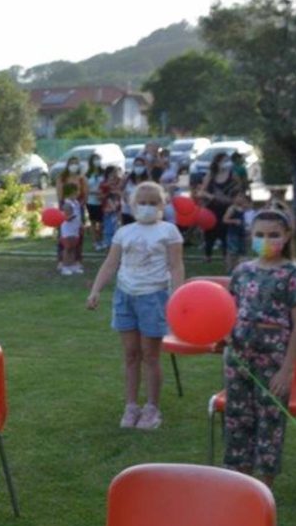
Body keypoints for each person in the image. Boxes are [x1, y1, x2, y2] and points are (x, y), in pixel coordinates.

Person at [221, 209, 296, 486]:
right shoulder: (242, 271)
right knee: (237, 418)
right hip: (238, 359)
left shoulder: (293, 274)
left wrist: (287, 370)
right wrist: (224, 335)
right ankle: (240, 484)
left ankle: (264, 487)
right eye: (260, 234)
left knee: (269, 420)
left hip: (273, 360)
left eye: (273, 234)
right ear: (251, 235)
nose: (266, 240)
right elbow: (228, 310)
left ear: (287, 236)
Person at [86, 182, 185, 430]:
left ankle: (152, 407)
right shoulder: (124, 232)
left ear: (162, 205)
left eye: (153, 203)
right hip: (125, 296)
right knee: (131, 354)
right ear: (132, 205)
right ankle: (131, 406)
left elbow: (176, 266)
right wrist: (96, 290)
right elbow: (111, 263)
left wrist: (178, 295)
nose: (147, 207)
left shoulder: (169, 231)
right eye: (142, 203)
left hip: (154, 296)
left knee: (150, 355)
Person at [197, 152, 241, 264]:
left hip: (226, 208)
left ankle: (226, 256)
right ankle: (207, 255)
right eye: (223, 161)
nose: (226, 163)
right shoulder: (211, 175)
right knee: (209, 232)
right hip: (212, 208)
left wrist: (231, 198)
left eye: (227, 160)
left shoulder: (232, 175)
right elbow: (201, 192)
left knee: (225, 232)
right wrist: (212, 197)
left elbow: (238, 189)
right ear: (217, 162)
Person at [222, 190, 254, 270]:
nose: (241, 198)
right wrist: (234, 221)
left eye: (242, 197)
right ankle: (230, 267)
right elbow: (225, 219)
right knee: (232, 251)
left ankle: (240, 267)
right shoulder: (232, 208)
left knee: (242, 251)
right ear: (234, 198)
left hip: (242, 232)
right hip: (233, 233)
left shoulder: (243, 208)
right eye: (239, 196)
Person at [57, 184, 84, 276]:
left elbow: (78, 215)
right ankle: (65, 266)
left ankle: (72, 265)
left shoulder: (76, 202)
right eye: (75, 191)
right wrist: (72, 217)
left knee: (73, 247)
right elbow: (66, 217)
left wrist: (80, 224)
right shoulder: (67, 204)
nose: (78, 193)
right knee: (67, 248)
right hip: (67, 230)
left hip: (75, 229)